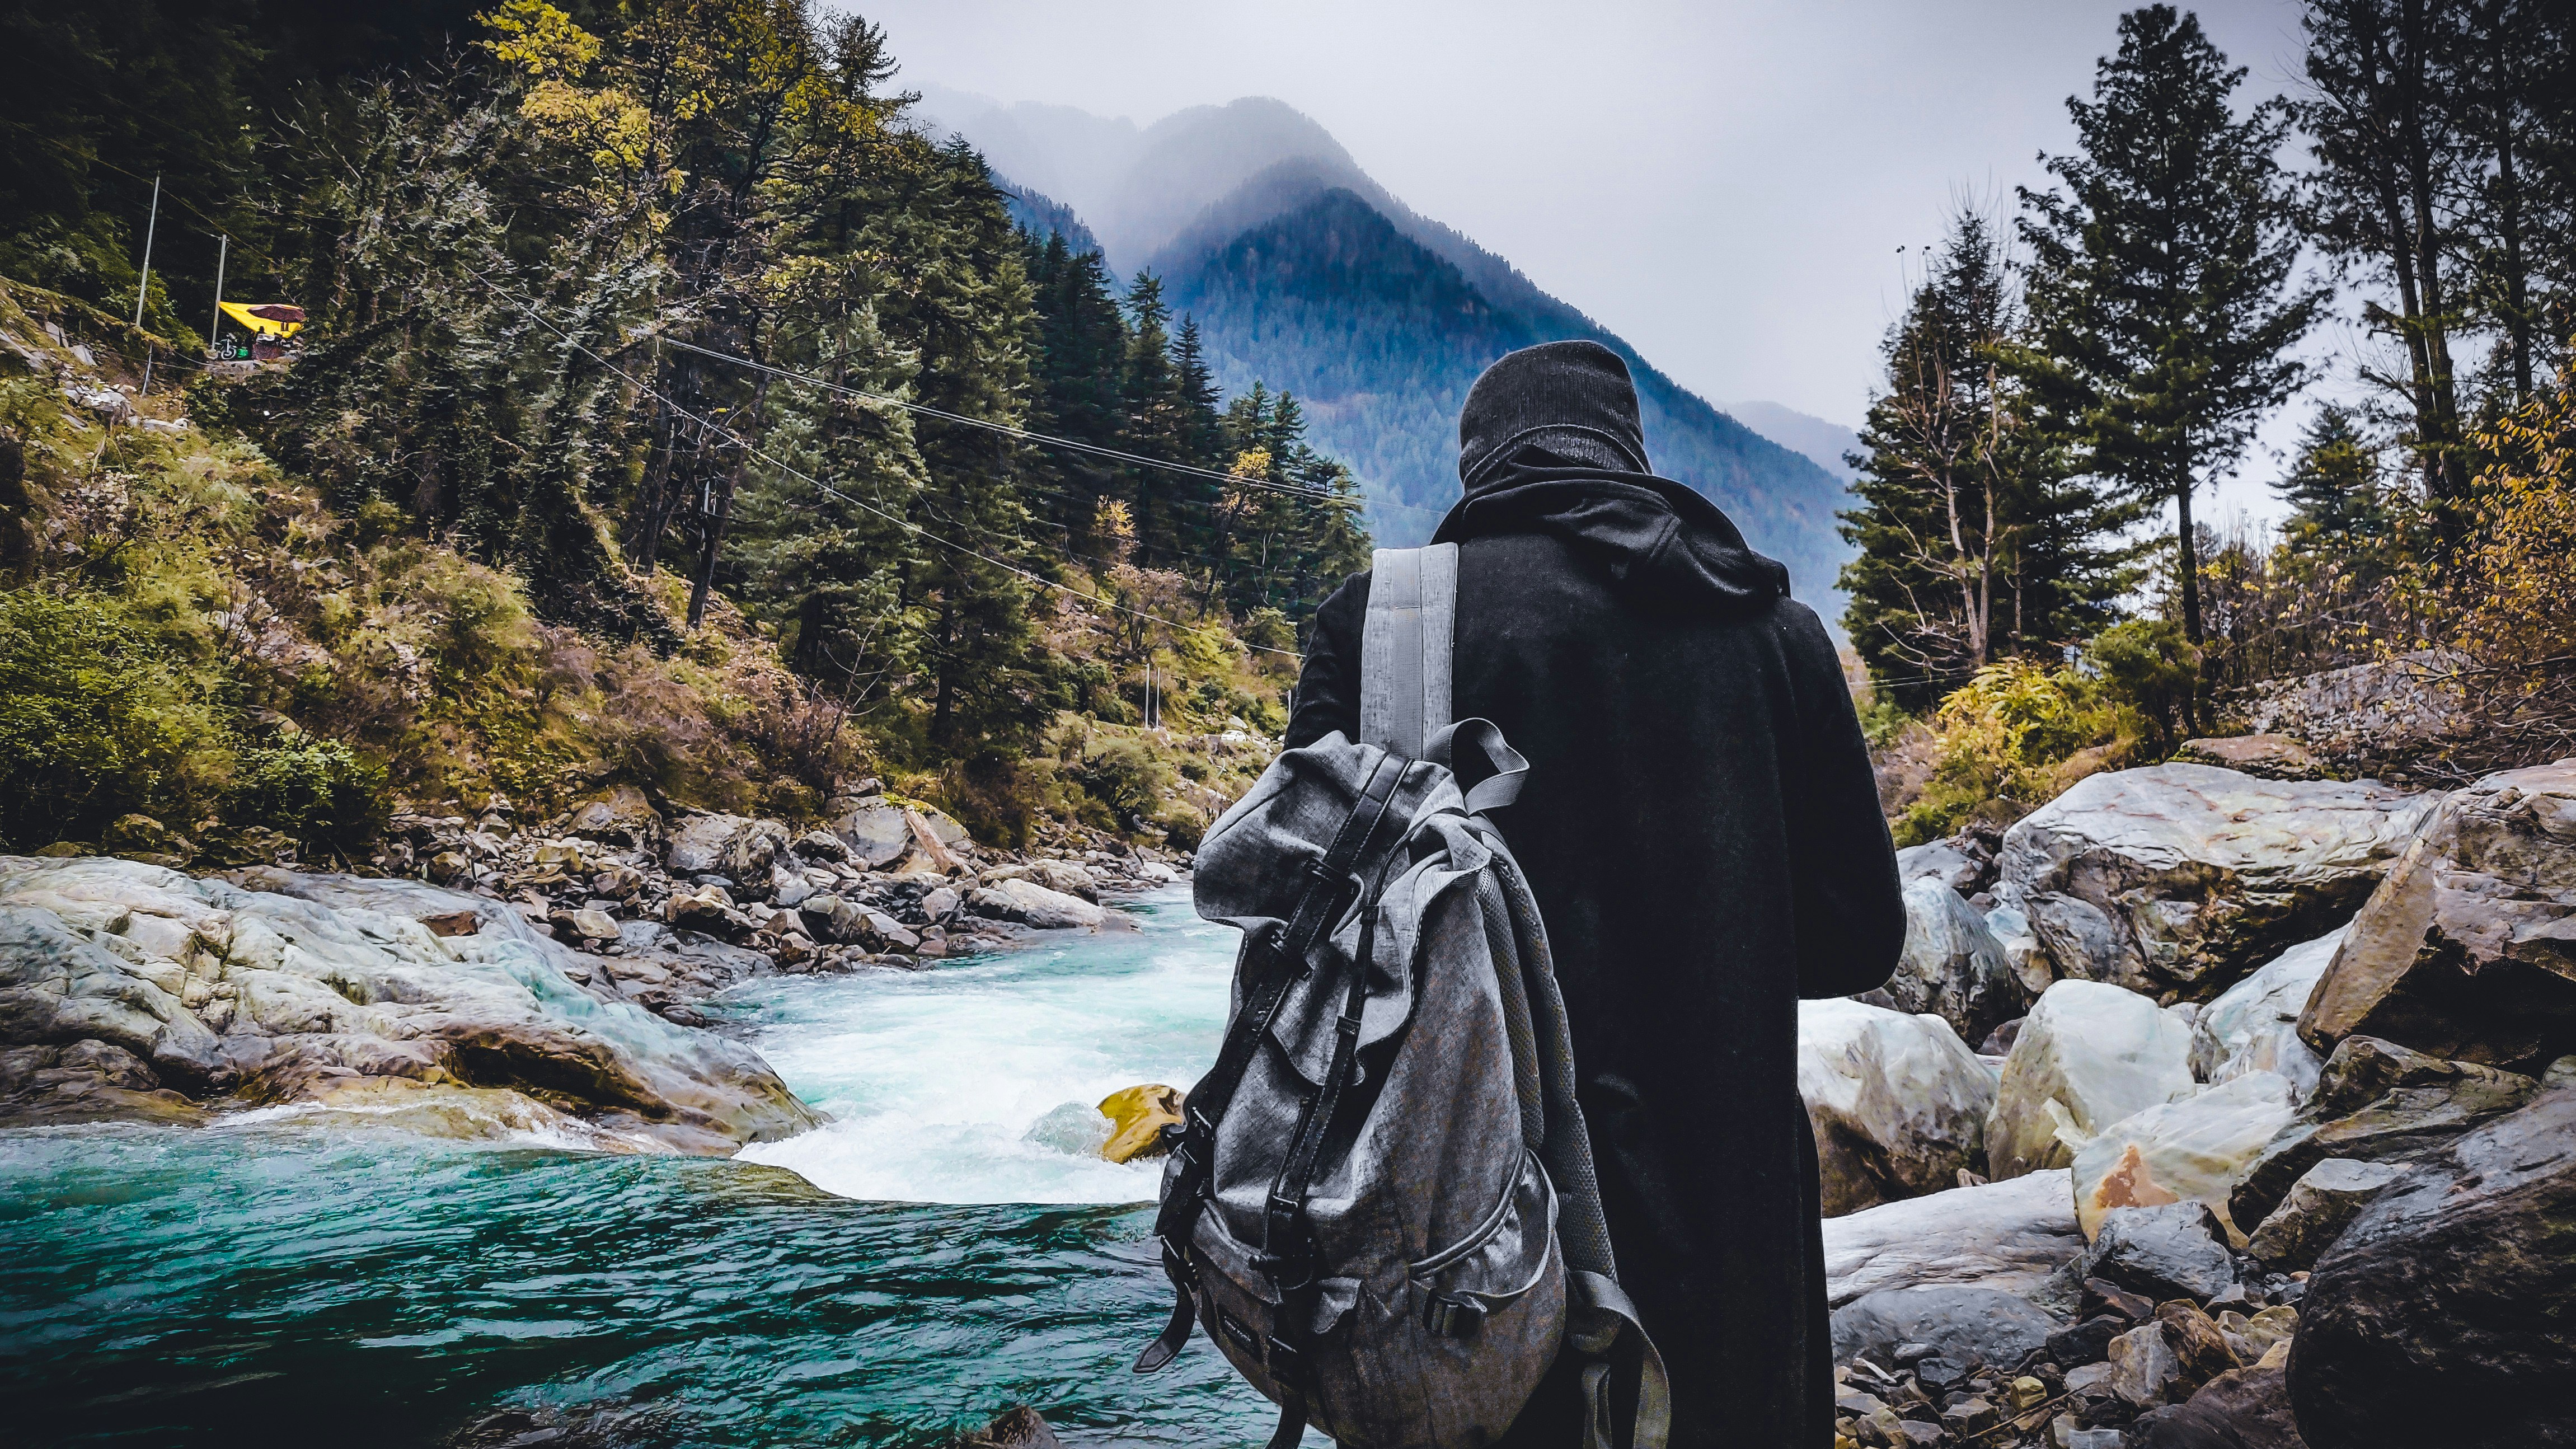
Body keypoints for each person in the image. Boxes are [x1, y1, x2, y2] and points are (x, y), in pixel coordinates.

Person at [1283, 340, 1905, 1448]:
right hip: (1730, 1212)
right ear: (1626, 452)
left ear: (1481, 465)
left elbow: (1303, 934)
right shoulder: (1774, 629)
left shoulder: (1384, 626)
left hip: (1459, 1230)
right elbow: (1859, 941)